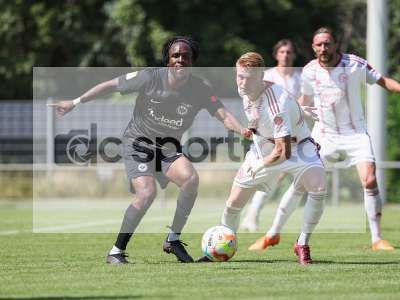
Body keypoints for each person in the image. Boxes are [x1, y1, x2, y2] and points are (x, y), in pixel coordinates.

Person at [49, 36, 250, 264]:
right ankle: (116, 251)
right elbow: (111, 85)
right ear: (168, 60)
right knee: (147, 193)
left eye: (186, 56)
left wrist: (243, 129)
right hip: (138, 143)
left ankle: (172, 239)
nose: (180, 60)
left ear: (192, 61)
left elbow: (223, 114)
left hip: (168, 148)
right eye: (176, 56)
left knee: (191, 180)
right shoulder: (149, 77)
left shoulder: (200, 88)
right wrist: (75, 102)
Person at [198, 52, 326, 264]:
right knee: (233, 203)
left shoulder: (276, 103)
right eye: (239, 76)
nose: (242, 82)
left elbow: (282, 151)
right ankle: (220, 247)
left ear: (260, 76)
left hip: (298, 149)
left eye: (247, 77)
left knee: (319, 188)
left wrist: (258, 166)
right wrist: (298, 110)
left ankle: (302, 243)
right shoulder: (244, 89)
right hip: (262, 148)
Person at [299, 27, 400, 251]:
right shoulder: (309, 71)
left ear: (335, 44)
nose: (323, 48)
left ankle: (377, 239)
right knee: (304, 182)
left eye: (327, 43)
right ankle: (282, 235)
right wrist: (302, 110)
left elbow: (383, 81)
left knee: (370, 180)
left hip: (355, 133)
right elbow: (303, 100)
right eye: (319, 44)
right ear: (313, 47)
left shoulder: (355, 64)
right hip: (324, 133)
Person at [241, 39, 302, 232]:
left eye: (289, 52)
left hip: (292, 133)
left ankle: (253, 214)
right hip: (268, 134)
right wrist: (252, 125)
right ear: (276, 55)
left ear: (294, 55)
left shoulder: (300, 78)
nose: (286, 55)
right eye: (282, 51)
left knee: (276, 175)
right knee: (271, 174)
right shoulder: (267, 76)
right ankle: (252, 215)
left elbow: (301, 104)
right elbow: (253, 103)